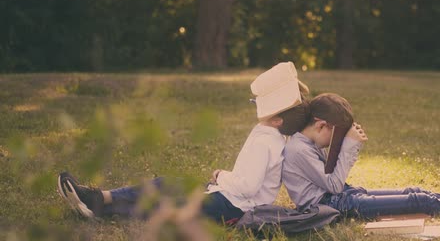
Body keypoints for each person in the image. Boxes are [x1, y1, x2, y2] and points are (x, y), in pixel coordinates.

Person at [57, 62, 310, 224]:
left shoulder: (268, 142)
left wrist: (221, 175)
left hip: (235, 206)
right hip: (228, 196)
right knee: (166, 184)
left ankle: (101, 207)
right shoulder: (268, 135)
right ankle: (101, 197)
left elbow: (247, 186)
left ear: (277, 120)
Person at [282, 93, 440, 219]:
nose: (332, 144)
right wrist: (348, 147)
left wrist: (347, 144)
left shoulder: (306, 142)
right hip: (333, 205)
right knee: (418, 201)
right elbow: (334, 184)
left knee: (415, 191)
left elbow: (335, 183)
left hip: (341, 196)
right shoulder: (299, 149)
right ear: (320, 125)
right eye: (335, 136)